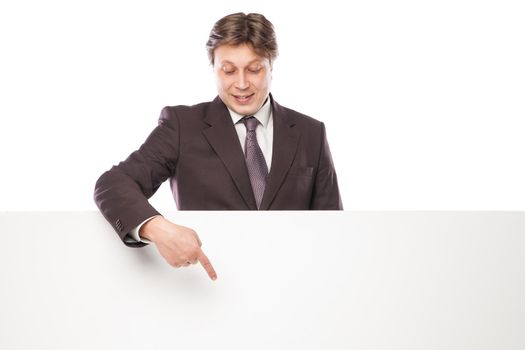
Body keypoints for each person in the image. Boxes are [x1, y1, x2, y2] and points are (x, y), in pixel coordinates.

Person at [93, 12, 342, 281]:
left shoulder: (311, 133)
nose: (242, 84)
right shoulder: (182, 126)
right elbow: (112, 184)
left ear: (272, 65)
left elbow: (335, 231)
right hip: (209, 294)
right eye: (229, 70)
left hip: (293, 287)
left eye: (254, 69)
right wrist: (157, 227)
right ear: (213, 67)